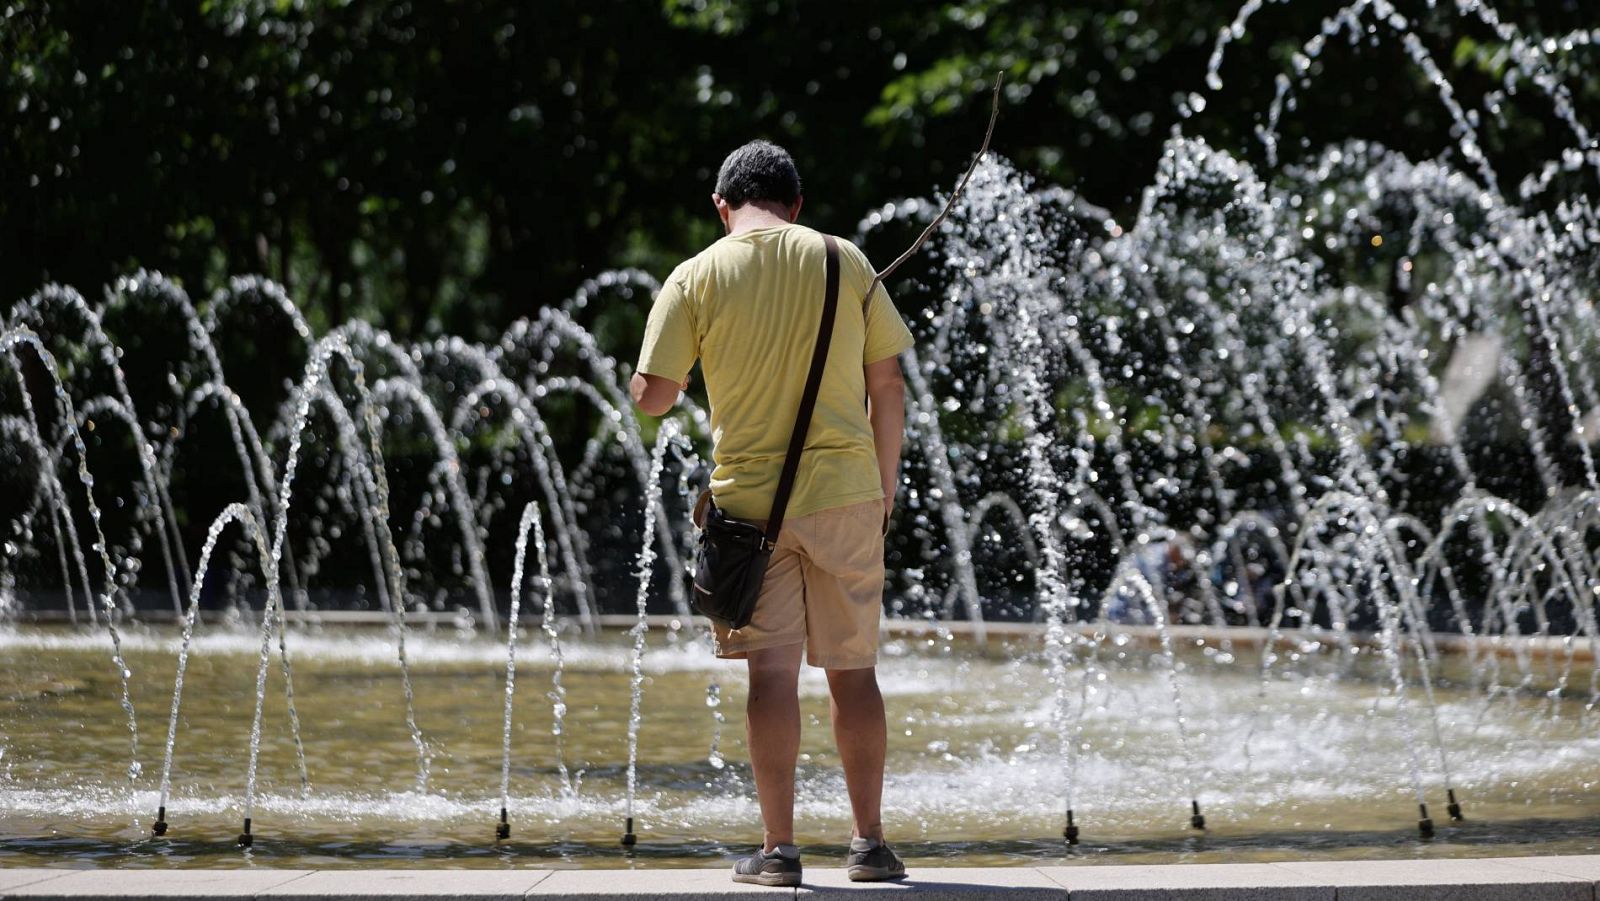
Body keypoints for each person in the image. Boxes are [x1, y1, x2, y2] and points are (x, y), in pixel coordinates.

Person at [630, 139, 914, 887]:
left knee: (770, 678)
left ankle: (779, 851)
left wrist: (663, 373)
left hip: (748, 512)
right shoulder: (844, 260)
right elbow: (888, 385)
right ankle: (869, 844)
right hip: (850, 495)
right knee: (855, 674)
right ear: (796, 204)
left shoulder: (695, 275)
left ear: (722, 207)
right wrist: (882, 490)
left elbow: (653, 397)